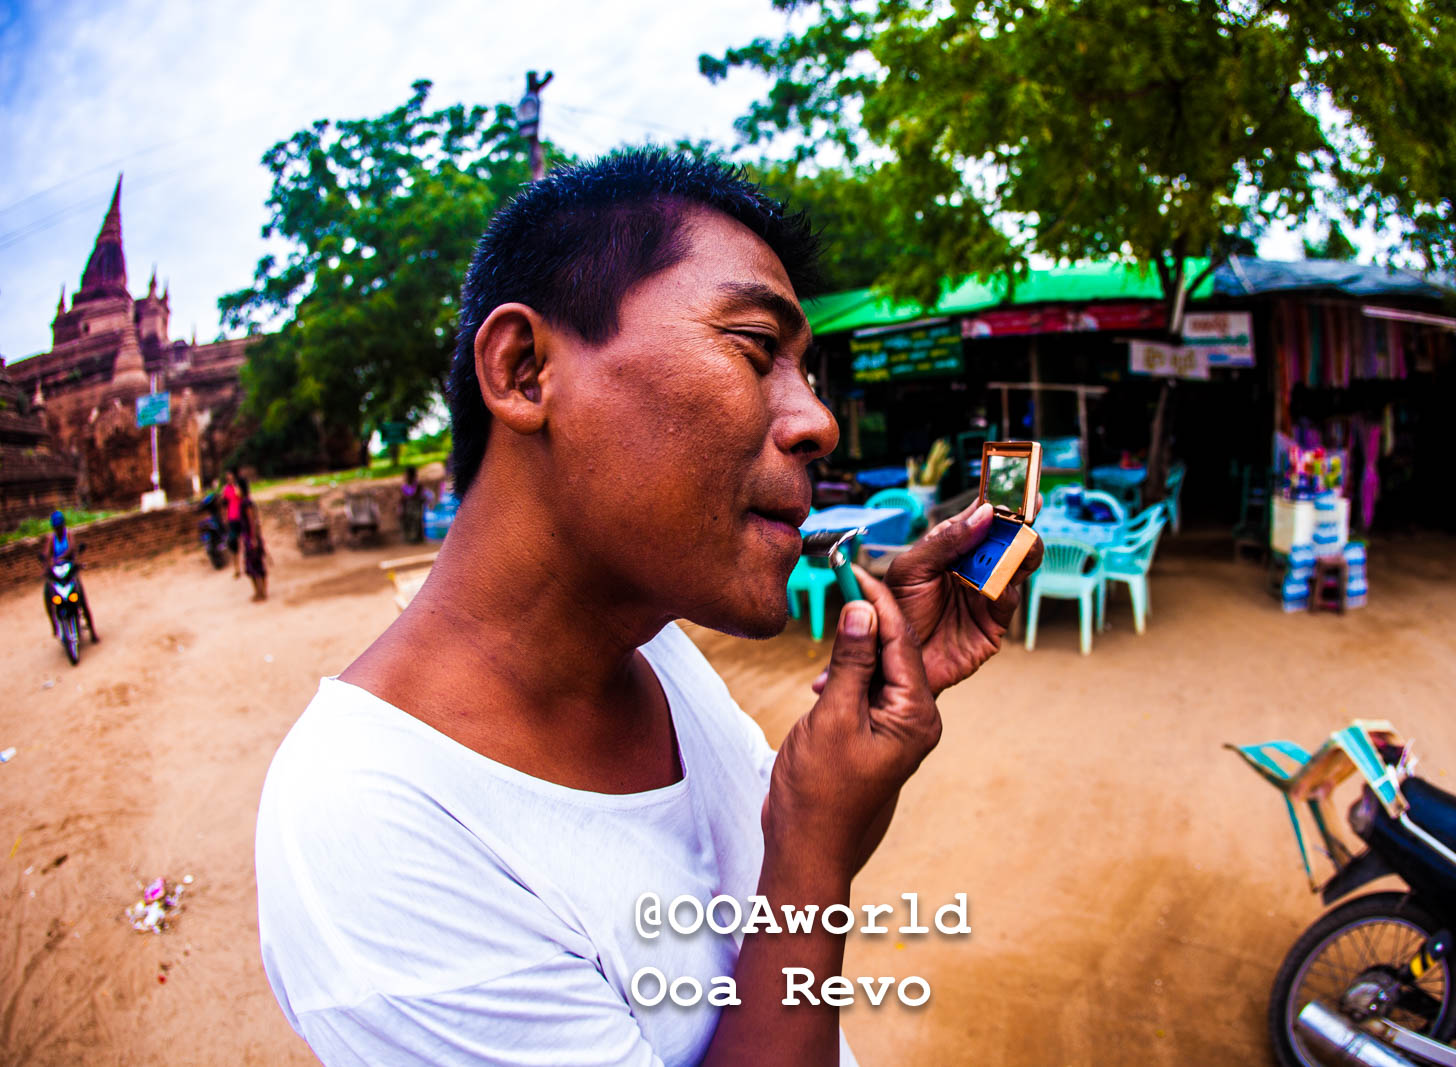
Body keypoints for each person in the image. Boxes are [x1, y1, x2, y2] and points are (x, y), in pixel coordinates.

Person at [255, 150, 1039, 1067]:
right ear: (523, 371)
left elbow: (755, 911)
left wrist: (834, 774)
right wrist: (813, 852)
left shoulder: (651, 647)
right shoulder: (367, 831)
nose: (819, 420)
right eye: (755, 349)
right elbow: (792, 879)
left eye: (804, 369)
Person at [39, 510, 98, 643]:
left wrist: (62, 558)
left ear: (63, 525)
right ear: (54, 527)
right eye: (56, 527)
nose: (59, 529)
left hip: (68, 570)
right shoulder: (51, 538)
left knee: (81, 597)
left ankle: (93, 631)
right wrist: (46, 565)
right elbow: (46, 554)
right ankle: (54, 623)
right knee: (47, 593)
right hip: (57, 572)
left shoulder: (69, 535)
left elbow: (72, 549)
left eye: (60, 527)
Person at [238, 475, 271, 601]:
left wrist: (253, 539)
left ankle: (261, 592)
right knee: (255, 565)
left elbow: (252, 521)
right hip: (250, 537)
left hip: (251, 538)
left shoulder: (247, 503)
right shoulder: (246, 502)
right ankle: (260, 592)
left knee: (255, 565)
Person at [222, 468, 244, 578]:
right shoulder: (226, 489)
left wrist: (236, 486)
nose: (229, 479)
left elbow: (241, 496)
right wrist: (225, 518)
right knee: (234, 544)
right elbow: (225, 504)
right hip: (232, 518)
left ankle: (246, 565)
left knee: (244, 542)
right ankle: (237, 568)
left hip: (241, 517)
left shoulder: (238, 487)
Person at [399, 465, 425, 543]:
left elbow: (417, 496)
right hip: (408, 508)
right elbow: (403, 498)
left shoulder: (418, 485)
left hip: (416, 507)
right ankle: (410, 537)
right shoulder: (404, 486)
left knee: (416, 522)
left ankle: (417, 538)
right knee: (408, 522)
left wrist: (407, 498)